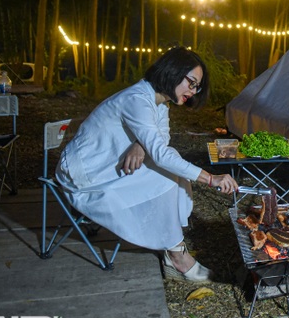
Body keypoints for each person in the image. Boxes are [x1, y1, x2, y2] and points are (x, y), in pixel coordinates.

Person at [55, 46, 238, 282]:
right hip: (84, 172)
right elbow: (161, 153)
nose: (192, 91)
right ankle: (177, 256)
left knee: (172, 171)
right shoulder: (137, 99)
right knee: (164, 176)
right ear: (173, 72)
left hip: (106, 161)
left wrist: (141, 145)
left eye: (197, 86)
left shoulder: (159, 101)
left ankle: (172, 244)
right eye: (191, 83)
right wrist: (211, 179)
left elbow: (162, 138)